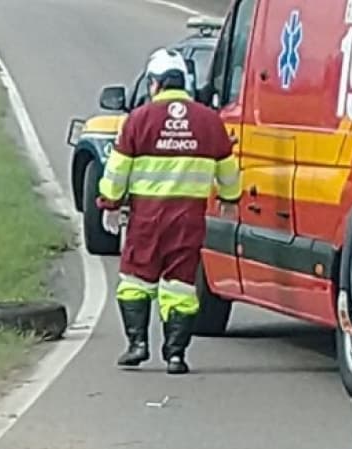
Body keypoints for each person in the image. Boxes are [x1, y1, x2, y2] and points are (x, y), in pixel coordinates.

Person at [96, 48, 242, 375]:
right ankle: (175, 355)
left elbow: (116, 171)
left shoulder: (139, 120)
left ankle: (137, 345)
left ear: (155, 83)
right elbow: (229, 172)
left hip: (146, 218)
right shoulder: (209, 121)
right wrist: (231, 200)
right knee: (181, 285)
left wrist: (110, 204)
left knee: (135, 280)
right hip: (188, 219)